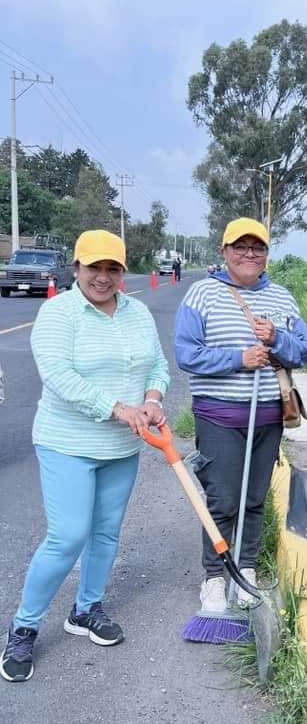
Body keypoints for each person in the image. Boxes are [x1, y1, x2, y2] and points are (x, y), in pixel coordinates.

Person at [1, 230, 169, 683]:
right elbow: (58, 376)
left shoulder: (137, 313)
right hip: (66, 443)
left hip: (122, 446)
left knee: (106, 534)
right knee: (68, 535)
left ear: (122, 271)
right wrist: (118, 408)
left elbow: (156, 364)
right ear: (76, 268)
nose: (103, 277)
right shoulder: (58, 312)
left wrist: (153, 399)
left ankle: (86, 608)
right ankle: (24, 625)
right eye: (94, 267)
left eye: (112, 268)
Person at [175, 217, 307, 613]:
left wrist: (276, 340)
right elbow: (187, 355)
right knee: (222, 499)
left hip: (267, 416)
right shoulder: (202, 294)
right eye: (241, 246)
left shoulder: (283, 298)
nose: (249, 253)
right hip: (219, 416)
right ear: (225, 251)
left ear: (267, 254)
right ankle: (215, 577)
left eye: (258, 247)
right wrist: (240, 359)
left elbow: (303, 350)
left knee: (254, 498)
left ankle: (246, 568)